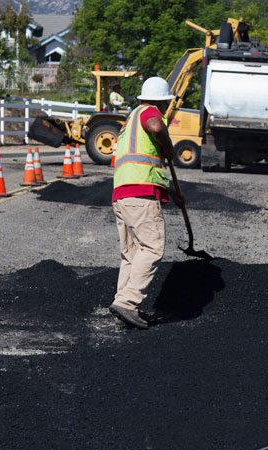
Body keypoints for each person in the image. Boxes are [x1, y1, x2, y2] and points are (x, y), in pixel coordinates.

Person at [108, 76, 182, 330]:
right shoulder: (150, 112)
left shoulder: (129, 121)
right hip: (140, 194)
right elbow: (157, 128)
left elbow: (147, 164)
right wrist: (168, 146)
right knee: (151, 248)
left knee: (131, 254)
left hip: (122, 194)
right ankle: (129, 302)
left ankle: (122, 302)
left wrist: (173, 194)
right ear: (163, 101)